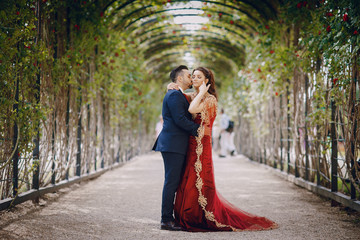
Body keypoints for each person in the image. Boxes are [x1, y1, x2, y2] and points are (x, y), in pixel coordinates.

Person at [173, 67, 278, 232]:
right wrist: (170, 86)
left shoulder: (210, 100)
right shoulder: (192, 96)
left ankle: (199, 215)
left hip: (202, 143)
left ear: (207, 80)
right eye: (193, 76)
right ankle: (185, 214)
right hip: (191, 142)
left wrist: (202, 92)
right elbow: (181, 96)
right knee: (188, 176)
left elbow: (192, 109)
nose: (194, 79)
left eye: (199, 77)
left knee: (200, 177)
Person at [152, 65, 200, 231]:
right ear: (179, 78)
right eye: (189, 75)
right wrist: (199, 130)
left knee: (175, 181)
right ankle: (165, 220)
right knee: (171, 182)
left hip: (176, 143)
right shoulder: (173, 95)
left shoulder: (177, 94)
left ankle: (174, 216)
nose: (191, 78)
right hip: (173, 144)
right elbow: (179, 119)